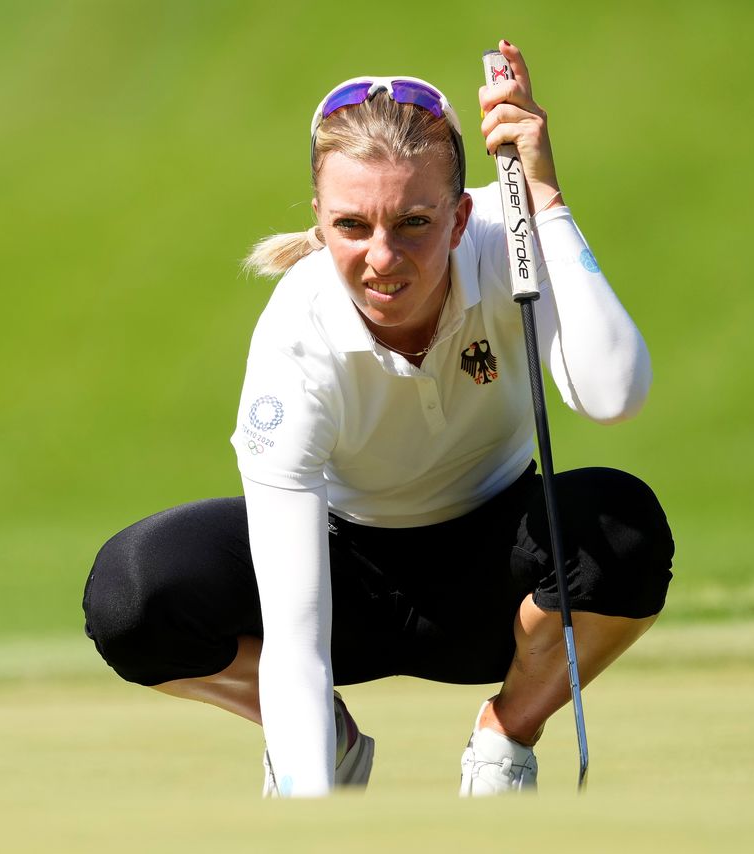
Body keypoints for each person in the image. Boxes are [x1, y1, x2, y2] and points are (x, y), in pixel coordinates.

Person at [82, 40, 674, 798]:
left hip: (494, 580)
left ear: (461, 218)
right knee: (134, 594)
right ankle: (335, 746)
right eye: (353, 226)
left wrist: (547, 200)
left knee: (622, 524)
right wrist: (309, 798)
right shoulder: (295, 336)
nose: (383, 257)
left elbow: (612, 392)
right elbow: (296, 643)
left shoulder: (509, 239)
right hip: (343, 583)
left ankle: (507, 738)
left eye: (415, 222)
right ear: (321, 223)